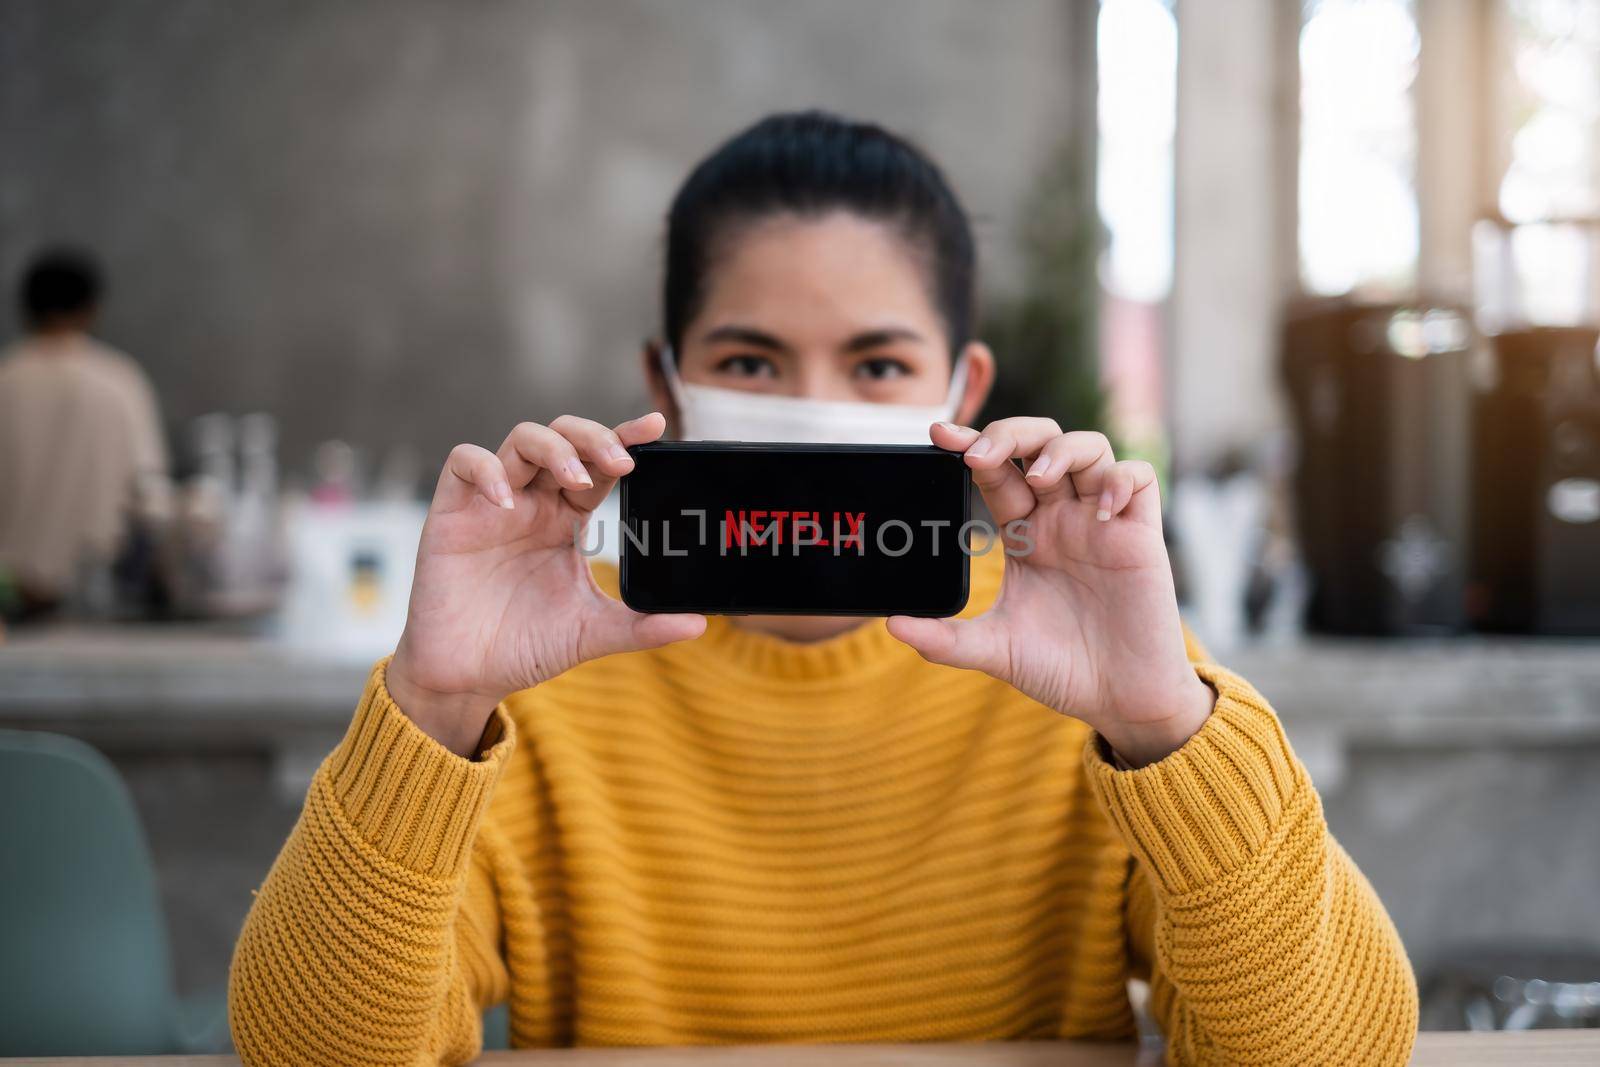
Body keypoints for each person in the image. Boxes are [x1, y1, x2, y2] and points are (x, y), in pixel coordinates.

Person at [229, 112, 1418, 1065]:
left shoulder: (1080, 668)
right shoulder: (537, 680)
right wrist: (432, 704)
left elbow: (1341, 1051)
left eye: (879, 363)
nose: (816, 408)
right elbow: (308, 1053)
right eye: (750, 359)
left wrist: (1166, 723)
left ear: (963, 380)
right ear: (667, 379)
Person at [0, 248, 169, 617]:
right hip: (96, 605)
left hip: (8, 605)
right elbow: (151, 505)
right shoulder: (121, 383)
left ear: (25, 309)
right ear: (91, 309)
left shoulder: (5, 380)